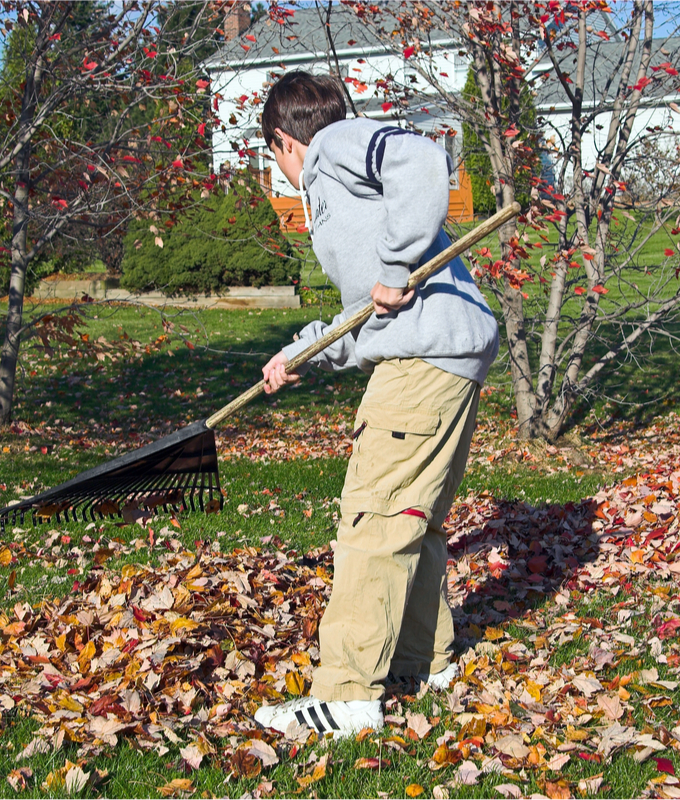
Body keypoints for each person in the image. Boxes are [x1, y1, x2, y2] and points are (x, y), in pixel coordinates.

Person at [252, 71, 500, 738]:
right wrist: (297, 355)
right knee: (412, 519)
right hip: (443, 352)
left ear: (283, 141)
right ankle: (428, 660)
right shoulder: (342, 190)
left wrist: (393, 269)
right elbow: (362, 316)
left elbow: (423, 160)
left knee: (373, 519)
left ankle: (346, 695)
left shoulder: (333, 149)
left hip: (423, 360)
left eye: (271, 154)